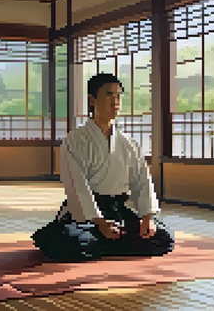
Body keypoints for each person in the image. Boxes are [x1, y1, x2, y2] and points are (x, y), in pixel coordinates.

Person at [32, 73, 175, 262]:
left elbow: (142, 182)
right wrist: (99, 222)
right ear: (92, 100)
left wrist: (147, 217)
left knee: (163, 239)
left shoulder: (129, 143)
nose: (115, 101)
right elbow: (76, 186)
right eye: (109, 95)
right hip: (87, 215)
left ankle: (102, 244)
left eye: (118, 96)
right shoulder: (75, 140)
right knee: (70, 242)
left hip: (117, 210)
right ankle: (108, 241)